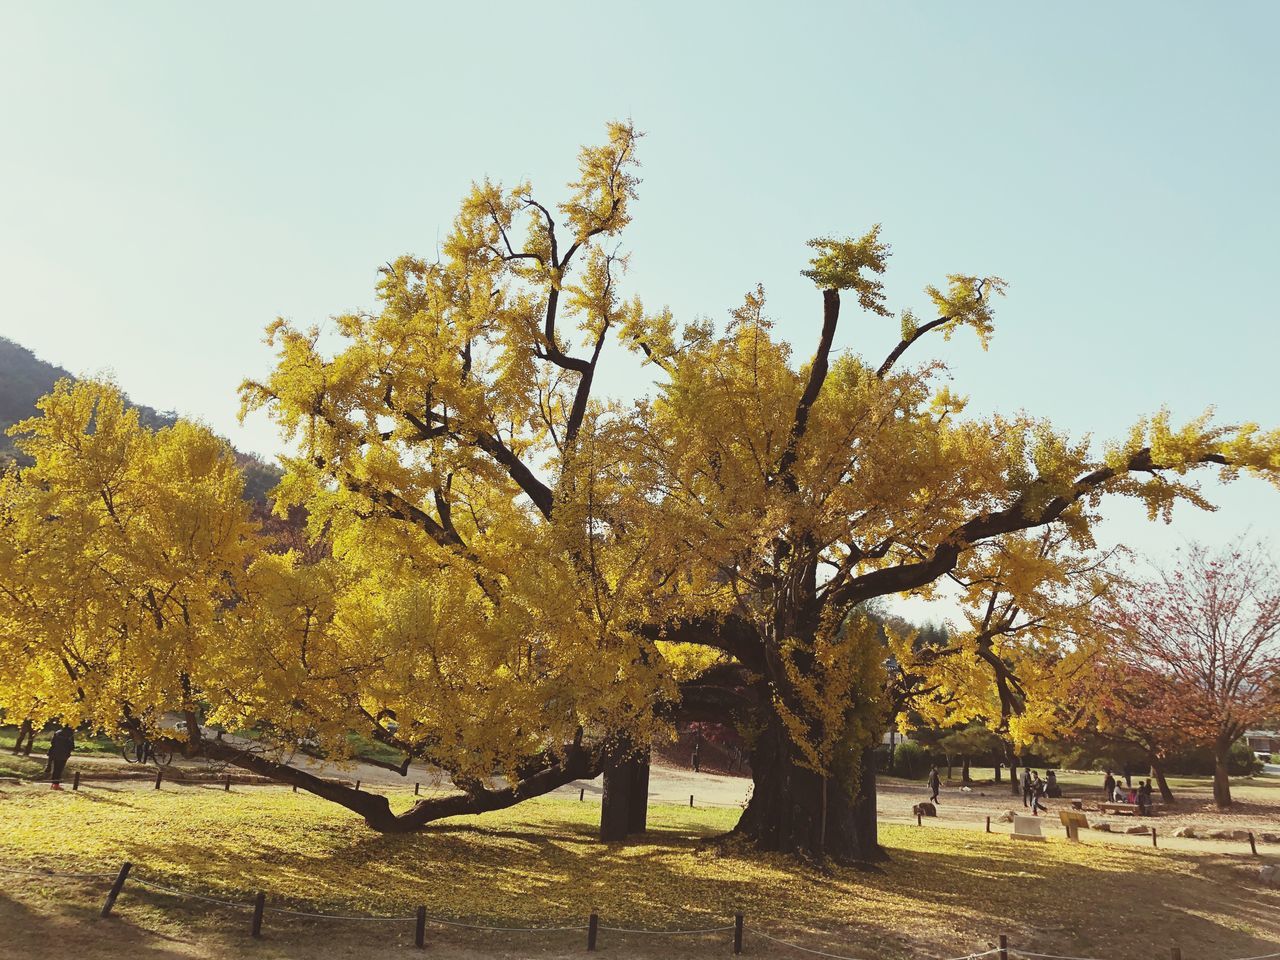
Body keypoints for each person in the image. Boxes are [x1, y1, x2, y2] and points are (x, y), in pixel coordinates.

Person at [46, 724, 74, 791]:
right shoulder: (70, 734)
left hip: (55, 752)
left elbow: (52, 742)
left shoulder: (57, 732)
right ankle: (56, 785)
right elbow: (72, 746)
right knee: (59, 769)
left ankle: (53, 784)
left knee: (55, 769)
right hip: (63, 754)